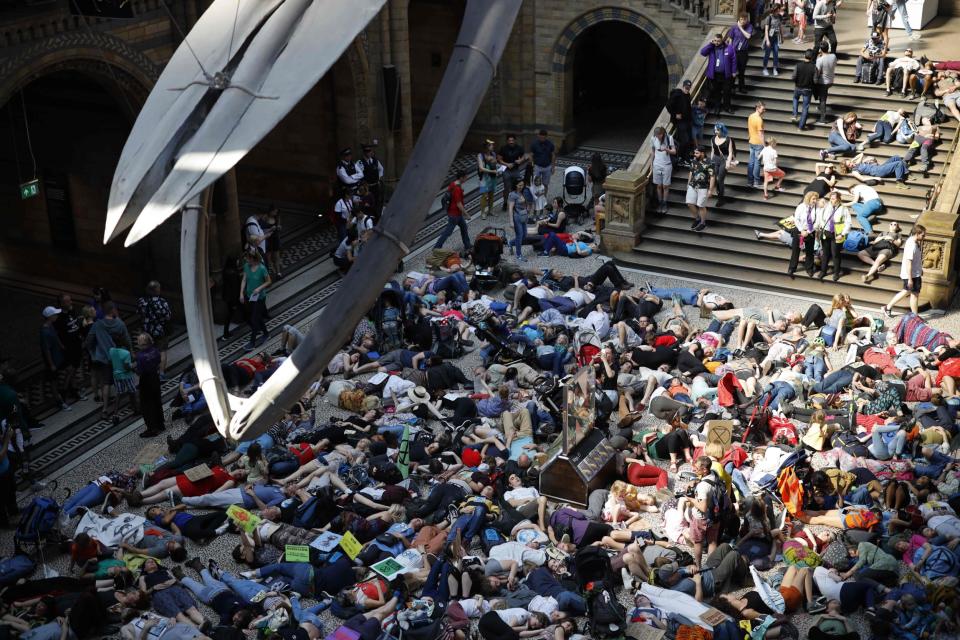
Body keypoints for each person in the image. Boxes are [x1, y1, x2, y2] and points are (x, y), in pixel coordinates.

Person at [881, 224, 925, 317]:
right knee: (914, 294)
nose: (924, 237)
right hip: (912, 274)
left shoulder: (913, 241)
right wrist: (910, 279)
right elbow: (908, 263)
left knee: (907, 291)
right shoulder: (911, 245)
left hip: (914, 273)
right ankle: (915, 317)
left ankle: (887, 307)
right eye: (923, 235)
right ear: (917, 234)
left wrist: (920, 269)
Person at [137, 281, 173, 377]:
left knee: (149, 351)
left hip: (147, 331)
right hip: (160, 331)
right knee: (162, 351)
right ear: (157, 290)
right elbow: (168, 316)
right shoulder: (162, 302)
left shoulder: (141, 301)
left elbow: (139, 314)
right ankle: (161, 373)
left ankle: (151, 370)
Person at [239, 249, 271, 350]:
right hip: (250, 296)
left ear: (253, 259)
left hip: (260, 297)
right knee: (257, 317)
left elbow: (269, 281)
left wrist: (259, 288)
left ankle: (252, 343)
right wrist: (241, 293)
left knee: (254, 319)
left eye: (248, 259)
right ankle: (266, 334)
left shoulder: (262, 268)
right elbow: (244, 279)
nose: (246, 261)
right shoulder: (246, 267)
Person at [434, 169, 471, 254]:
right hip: (454, 214)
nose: (467, 179)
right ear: (461, 178)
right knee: (447, 232)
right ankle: (436, 247)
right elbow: (458, 204)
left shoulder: (453, 184)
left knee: (464, 227)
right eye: (465, 177)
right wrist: (466, 214)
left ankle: (467, 245)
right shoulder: (457, 189)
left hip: (455, 213)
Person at [40, 305, 70, 411]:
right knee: (54, 382)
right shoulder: (44, 332)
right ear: (50, 316)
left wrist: (61, 345)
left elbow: (55, 336)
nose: (57, 315)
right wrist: (51, 364)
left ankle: (63, 392)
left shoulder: (51, 326)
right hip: (52, 361)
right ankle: (59, 402)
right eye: (55, 314)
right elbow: (46, 349)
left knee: (68, 371)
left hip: (58, 357)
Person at [136, 332, 165, 438]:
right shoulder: (155, 351)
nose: (138, 344)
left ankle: (152, 429)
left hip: (146, 381)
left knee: (147, 406)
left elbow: (139, 371)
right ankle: (160, 424)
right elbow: (158, 361)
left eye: (139, 342)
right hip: (155, 378)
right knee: (157, 401)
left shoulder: (140, 356)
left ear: (143, 344)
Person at [817, 191, 850, 282]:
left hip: (837, 234)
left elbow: (848, 223)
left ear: (838, 199)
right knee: (825, 253)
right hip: (826, 232)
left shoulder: (844, 209)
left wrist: (842, 234)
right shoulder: (826, 206)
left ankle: (836, 272)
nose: (832, 200)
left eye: (834, 198)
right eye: (831, 198)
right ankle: (823, 271)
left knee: (835, 254)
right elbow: (821, 217)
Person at [700, 32, 735, 114]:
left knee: (727, 92)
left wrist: (733, 71)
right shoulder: (711, 48)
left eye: (718, 41)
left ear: (722, 40)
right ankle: (717, 108)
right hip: (715, 75)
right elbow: (702, 52)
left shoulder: (729, 47)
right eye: (715, 41)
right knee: (716, 92)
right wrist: (710, 44)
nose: (716, 43)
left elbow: (733, 60)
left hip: (726, 75)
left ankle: (727, 107)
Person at [788, 192, 820, 277]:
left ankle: (809, 268)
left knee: (809, 251)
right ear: (808, 198)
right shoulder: (801, 206)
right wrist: (801, 230)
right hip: (799, 230)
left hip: (810, 231)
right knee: (796, 250)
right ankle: (792, 267)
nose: (815, 201)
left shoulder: (817, 208)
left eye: (816, 199)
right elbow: (796, 219)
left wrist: (808, 231)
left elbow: (817, 222)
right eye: (813, 199)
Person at [685, 147, 714, 232]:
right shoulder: (694, 160)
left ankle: (702, 223)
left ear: (702, 153)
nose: (695, 155)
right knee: (689, 203)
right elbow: (691, 171)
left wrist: (710, 190)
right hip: (692, 185)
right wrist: (688, 183)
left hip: (703, 187)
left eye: (697, 153)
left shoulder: (709, 162)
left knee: (701, 206)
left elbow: (712, 177)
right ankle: (697, 218)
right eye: (695, 153)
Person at [498, 134, 527, 210]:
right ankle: (505, 202)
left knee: (518, 187)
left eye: (512, 140)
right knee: (507, 188)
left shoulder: (519, 148)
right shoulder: (503, 148)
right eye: (509, 140)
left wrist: (520, 160)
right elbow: (499, 159)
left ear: (515, 140)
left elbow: (524, 156)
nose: (511, 142)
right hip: (506, 170)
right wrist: (507, 164)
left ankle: (516, 202)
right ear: (507, 141)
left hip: (515, 170)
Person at [667, 79, 694, 162]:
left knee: (688, 140)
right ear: (683, 86)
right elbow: (668, 106)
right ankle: (678, 156)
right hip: (680, 121)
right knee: (684, 140)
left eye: (688, 88)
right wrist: (675, 114)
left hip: (687, 121)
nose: (687, 89)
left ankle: (685, 157)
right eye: (686, 87)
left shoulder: (688, 95)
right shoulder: (677, 94)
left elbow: (688, 108)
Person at [651, 127, 676, 214]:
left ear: (662, 134)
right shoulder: (653, 138)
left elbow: (674, 151)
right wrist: (651, 164)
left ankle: (664, 203)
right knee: (658, 186)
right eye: (656, 135)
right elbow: (653, 151)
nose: (657, 137)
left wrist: (666, 149)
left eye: (659, 135)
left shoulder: (669, 138)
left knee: (665, 186)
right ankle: (660, 203)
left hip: (667, 165)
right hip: (656, 165)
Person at [710, 123, 735, 207]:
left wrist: (728, 162)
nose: (716, 131)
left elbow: (730, 152)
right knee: (714, 178)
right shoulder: (713, 138)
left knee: (720, 179)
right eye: (715, 130)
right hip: (715, 159)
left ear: (722, 130)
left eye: (718, 130)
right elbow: (712, 151)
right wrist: (711, 161)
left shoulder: (728, 139)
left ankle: (721, 198)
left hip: (724, 160)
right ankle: (719, 191)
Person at [792, 48, 817, 130]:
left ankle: (795, 114)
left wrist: (796, 82)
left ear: (804, 56)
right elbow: (815, 80)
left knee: (795, 98)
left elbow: (793, 77)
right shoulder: (814, 67)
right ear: (812, 57)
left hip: (798, 87)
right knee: (805, 108)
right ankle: (801, 126)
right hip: (808, 89)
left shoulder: (798, 65)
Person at [507, 178, 530, 262]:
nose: (521, 186)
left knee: (524, 235)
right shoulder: (512, 195)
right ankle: (518, 255)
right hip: (516, 217)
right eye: (519, 185)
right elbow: (510, 208)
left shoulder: (521, 192)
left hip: (523, 216)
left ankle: (510, 243)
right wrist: (511, 221)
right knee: (519, 236)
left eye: (522, 185)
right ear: (515, 185)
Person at [815, 40, 838, 124]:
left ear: (820, 49)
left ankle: (822, 118)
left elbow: (817, 71)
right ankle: (821, 107)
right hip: (830, 80)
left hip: (822, 81)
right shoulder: (833, 56)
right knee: (823, 95)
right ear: (828, 48)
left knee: (823, 99)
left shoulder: (819, 60)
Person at [731, 13, 754, 93]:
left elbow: (748, 36)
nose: (743, 21)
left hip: (743, 52)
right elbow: (731, 39)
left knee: (742, 71)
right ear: (739, 19)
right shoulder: (734, 27)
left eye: (744, 19)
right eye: (741, 19)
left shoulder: (749, 26)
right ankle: (732, 87)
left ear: (747, 19)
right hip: (734, 51)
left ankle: (741, 87)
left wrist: (740, 28)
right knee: (733, 70)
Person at [762, 4, 787, 76]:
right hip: (769, 37)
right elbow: (766, 30)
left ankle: (774, 68)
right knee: (767, 54)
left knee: (776, 53)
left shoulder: (779, 16)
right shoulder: (769, 17)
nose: (778, 11)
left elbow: (780, 27)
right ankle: (764, 68)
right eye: (777, 10)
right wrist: (767, 40)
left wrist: (782, 37)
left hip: (776, 37)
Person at [477, 139, 498, 220]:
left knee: (491, 194)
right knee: (484, 196)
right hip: (484, 178)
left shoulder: (493, 154)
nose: (493, 146)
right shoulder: (480, 155)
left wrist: (495, 163)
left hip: (492, 177)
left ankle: (490, 210)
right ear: (486, 147)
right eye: (491, 145)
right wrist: (492, 171)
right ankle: (483, 212)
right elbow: (481, 168)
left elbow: (495, 163)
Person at [747, 101, 766, 188]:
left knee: (751, 162)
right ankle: (756, 182)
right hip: (758, 143)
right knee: (757, 163)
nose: (764, 110)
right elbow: (760, 134)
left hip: (751, 142)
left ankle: (749, 181)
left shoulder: (750, 116)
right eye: (763, 109)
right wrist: (764, 146)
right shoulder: (759, 120)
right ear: (757, 108)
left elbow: (749, 128)